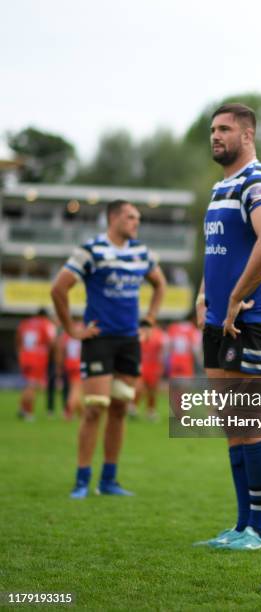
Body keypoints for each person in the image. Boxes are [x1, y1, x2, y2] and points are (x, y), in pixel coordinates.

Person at [194, 103, 261, 550]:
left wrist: (234, 298)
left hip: (253, 318)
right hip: (218, 320)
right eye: (213, 129)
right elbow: (219, 251)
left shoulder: (257, 182)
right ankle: (241, 525)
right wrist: (202, 292)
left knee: (250, 421)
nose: (216, 135)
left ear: (247, 135)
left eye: (225, 129)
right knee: (230, 422)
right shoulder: (220, 187)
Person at [51, 199, 166, 498]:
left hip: (129, 341)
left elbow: (160, 284)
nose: (135, 223)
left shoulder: (142, 254)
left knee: (119, 408)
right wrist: (72, 329)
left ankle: (109, 481)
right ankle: (81, 480)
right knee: (94, 408)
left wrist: (150, 320)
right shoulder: (90, 251)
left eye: (137, 218)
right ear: (113, 218)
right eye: (130, 217)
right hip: (99, 340)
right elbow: (58, 288)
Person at [16, 308, 56, 420]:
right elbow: (52, 341)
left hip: (24, 355)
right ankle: (28, 412)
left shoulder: (25, 323)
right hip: (37, 357)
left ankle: (22, 408)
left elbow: (18, 338)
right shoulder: (46, 324)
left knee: (28, 383)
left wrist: (20, 352)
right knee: (33, 385)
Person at [131, 324, 167, 420]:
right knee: (138, 387)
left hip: (154, 366)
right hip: (142, 365)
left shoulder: (159, 335)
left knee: (152, 391)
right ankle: (133, 408)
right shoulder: (139, 333)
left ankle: (150, 411)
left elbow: (163, 350)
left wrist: (161, 366)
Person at [56, 320, 84, 420]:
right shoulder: (84, 331)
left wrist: (59, 366)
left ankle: (82, 414)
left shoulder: (68, 333)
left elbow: (60, 348)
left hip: (69, 362)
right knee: (76, 389)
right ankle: (68, 412)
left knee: (76, 389)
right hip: (79, 363)